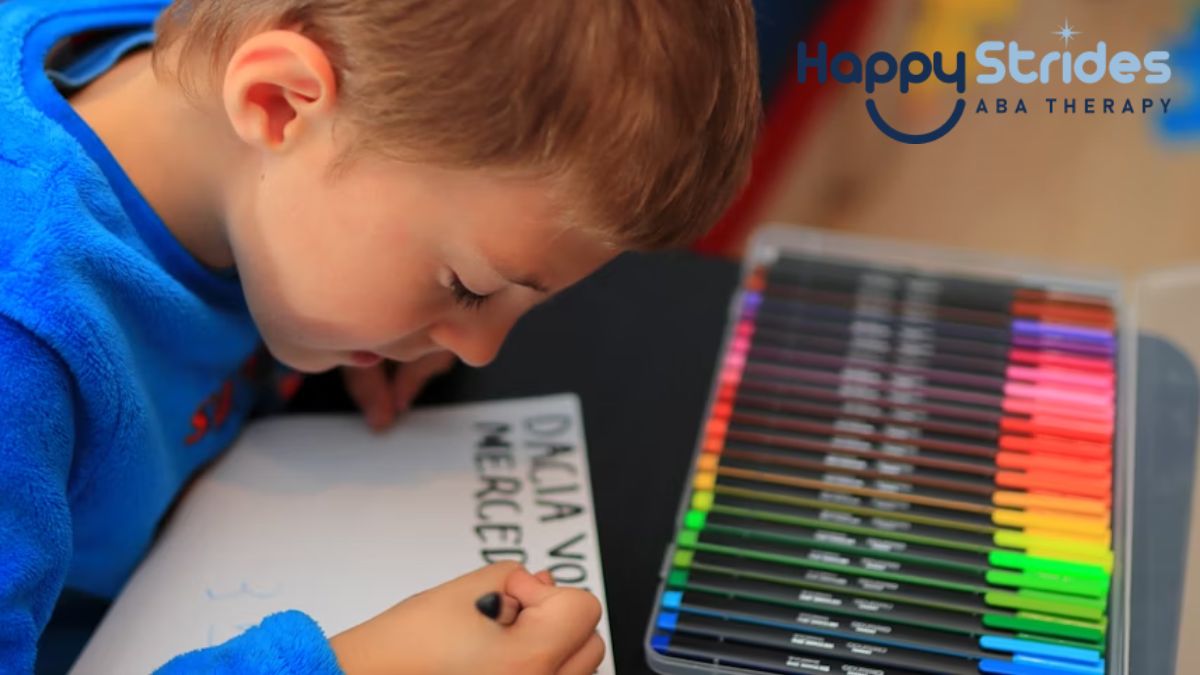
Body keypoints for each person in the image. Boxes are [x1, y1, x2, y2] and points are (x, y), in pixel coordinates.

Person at [0, 0, 761, 671]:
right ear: (278, 104)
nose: (476, 347)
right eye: (469, 285)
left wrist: (398, 319)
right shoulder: (22, 341)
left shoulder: (191, 69)